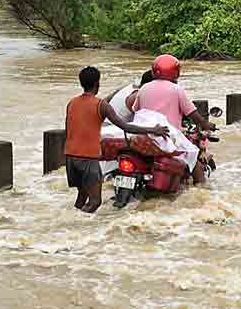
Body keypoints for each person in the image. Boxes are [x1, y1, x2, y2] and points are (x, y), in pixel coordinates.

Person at [66, 66, 168, 213]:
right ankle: (77, 231)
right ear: (97, 83)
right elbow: (126, 127)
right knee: (95, 202)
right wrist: (153, 130)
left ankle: (70, 225)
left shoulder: (72, 103)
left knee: (82, 197)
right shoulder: (101, 105)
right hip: (88, 157)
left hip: (70, 156)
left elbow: (69, 129)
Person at [133, 54, 217, 183]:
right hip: (169, 137)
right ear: (175, 72)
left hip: (145, 137)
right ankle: (203, 192)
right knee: (195, 162)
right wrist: (206, 124)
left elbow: (136, 110)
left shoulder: (144, 88)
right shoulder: (176, 89)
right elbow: (192, 114)